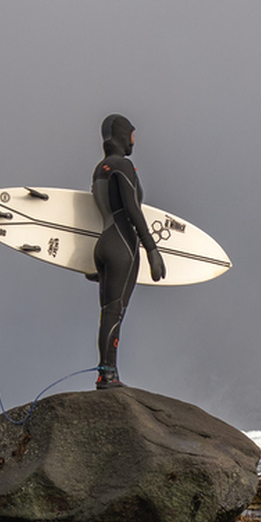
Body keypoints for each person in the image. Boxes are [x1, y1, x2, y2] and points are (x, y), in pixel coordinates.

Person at [88, 113, 165, 389]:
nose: (134, 140)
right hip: (122, 245)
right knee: (115, 313)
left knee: (107, 312)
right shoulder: (124, 166)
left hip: (103, 243)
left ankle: (105, 372)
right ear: (122, 135)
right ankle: (108, 375)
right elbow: (132, 209)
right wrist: (152, 249)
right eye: (132, 134)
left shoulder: (100, 168)